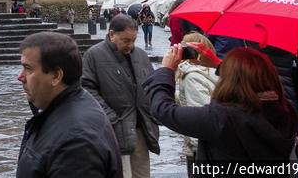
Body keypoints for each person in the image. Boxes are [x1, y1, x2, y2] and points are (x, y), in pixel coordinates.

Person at [143, 44, 297, 170]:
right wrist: (219, 64)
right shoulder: (287, 111)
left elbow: (163, 110)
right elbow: (247, 81)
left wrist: (166, 70)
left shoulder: (222, 118)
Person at [16, 31, 122, 178]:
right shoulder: (60, 111)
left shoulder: (76, 143)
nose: (20, 77)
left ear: (55, 76)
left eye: (28, 69)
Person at [82, 14, 160, 178]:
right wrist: (110, 118)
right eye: (125, 40)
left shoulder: (140, 55)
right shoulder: (93, 55)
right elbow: (87, 91)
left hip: (141, 129)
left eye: (133, 40)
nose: (130, 45)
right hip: (113, 130)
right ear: (112, 35)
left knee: (142, 174)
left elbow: (151, 85)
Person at [175, 33, 218, 176]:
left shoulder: (192, 76)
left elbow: (198, 115)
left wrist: (196, 150)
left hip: (200, 149)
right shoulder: (214, 71)